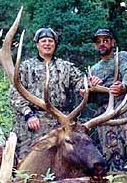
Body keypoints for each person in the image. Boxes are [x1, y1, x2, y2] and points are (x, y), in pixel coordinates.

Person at [10, 28, 84, 159]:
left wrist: (86, 86)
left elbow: (81, 82)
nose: (47, 44)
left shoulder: (65, 66)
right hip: (34, 122)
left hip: (61, 121)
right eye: (43, 41)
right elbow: (15, 94)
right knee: (29, 162)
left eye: (50, 41)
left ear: (55, 44)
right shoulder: (25, 67)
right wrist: (28, 114)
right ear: (37, 45)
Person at [88, 29, 127, 173]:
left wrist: (124, 85)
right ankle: (116, 170)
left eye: (105, 40)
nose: (102, 44)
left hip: (120, 103)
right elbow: (92, 98)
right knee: (109, 144)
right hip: (103, 110)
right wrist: (88, 91)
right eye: (98, 42)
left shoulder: (122, 56)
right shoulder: (94, 69)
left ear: (112, 42)